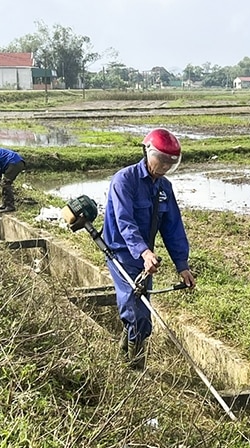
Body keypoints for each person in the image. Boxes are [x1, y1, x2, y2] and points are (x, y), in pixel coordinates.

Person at [102, 128, 196, 370]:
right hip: (122, 252)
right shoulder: (125, 180)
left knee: (142, 310)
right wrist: (143, 252)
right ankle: (134, 368)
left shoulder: (164, 187)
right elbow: (125, 222)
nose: (164, 166)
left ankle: (126, 358)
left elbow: (172, 226)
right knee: (136, 310)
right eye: (161, 160)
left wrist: (182, 266)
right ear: (147, 152)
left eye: (170, 162)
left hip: (146, 257)